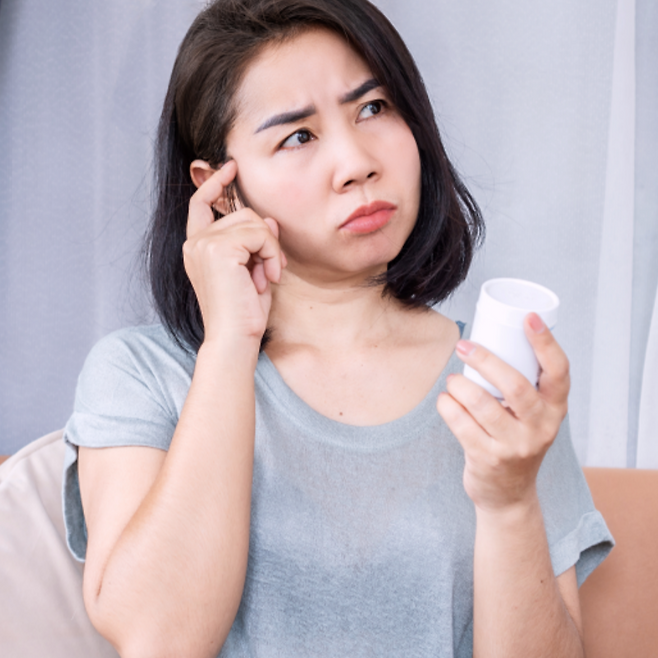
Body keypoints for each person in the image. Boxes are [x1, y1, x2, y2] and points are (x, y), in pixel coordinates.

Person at [62, 1, 613, 656]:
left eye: (373, 107)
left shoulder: (498, 378)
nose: (357, 162)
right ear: (222, 191)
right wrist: (231, 344)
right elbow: (161, 640)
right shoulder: (142, 373)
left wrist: (511, 502)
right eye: (298, 136)